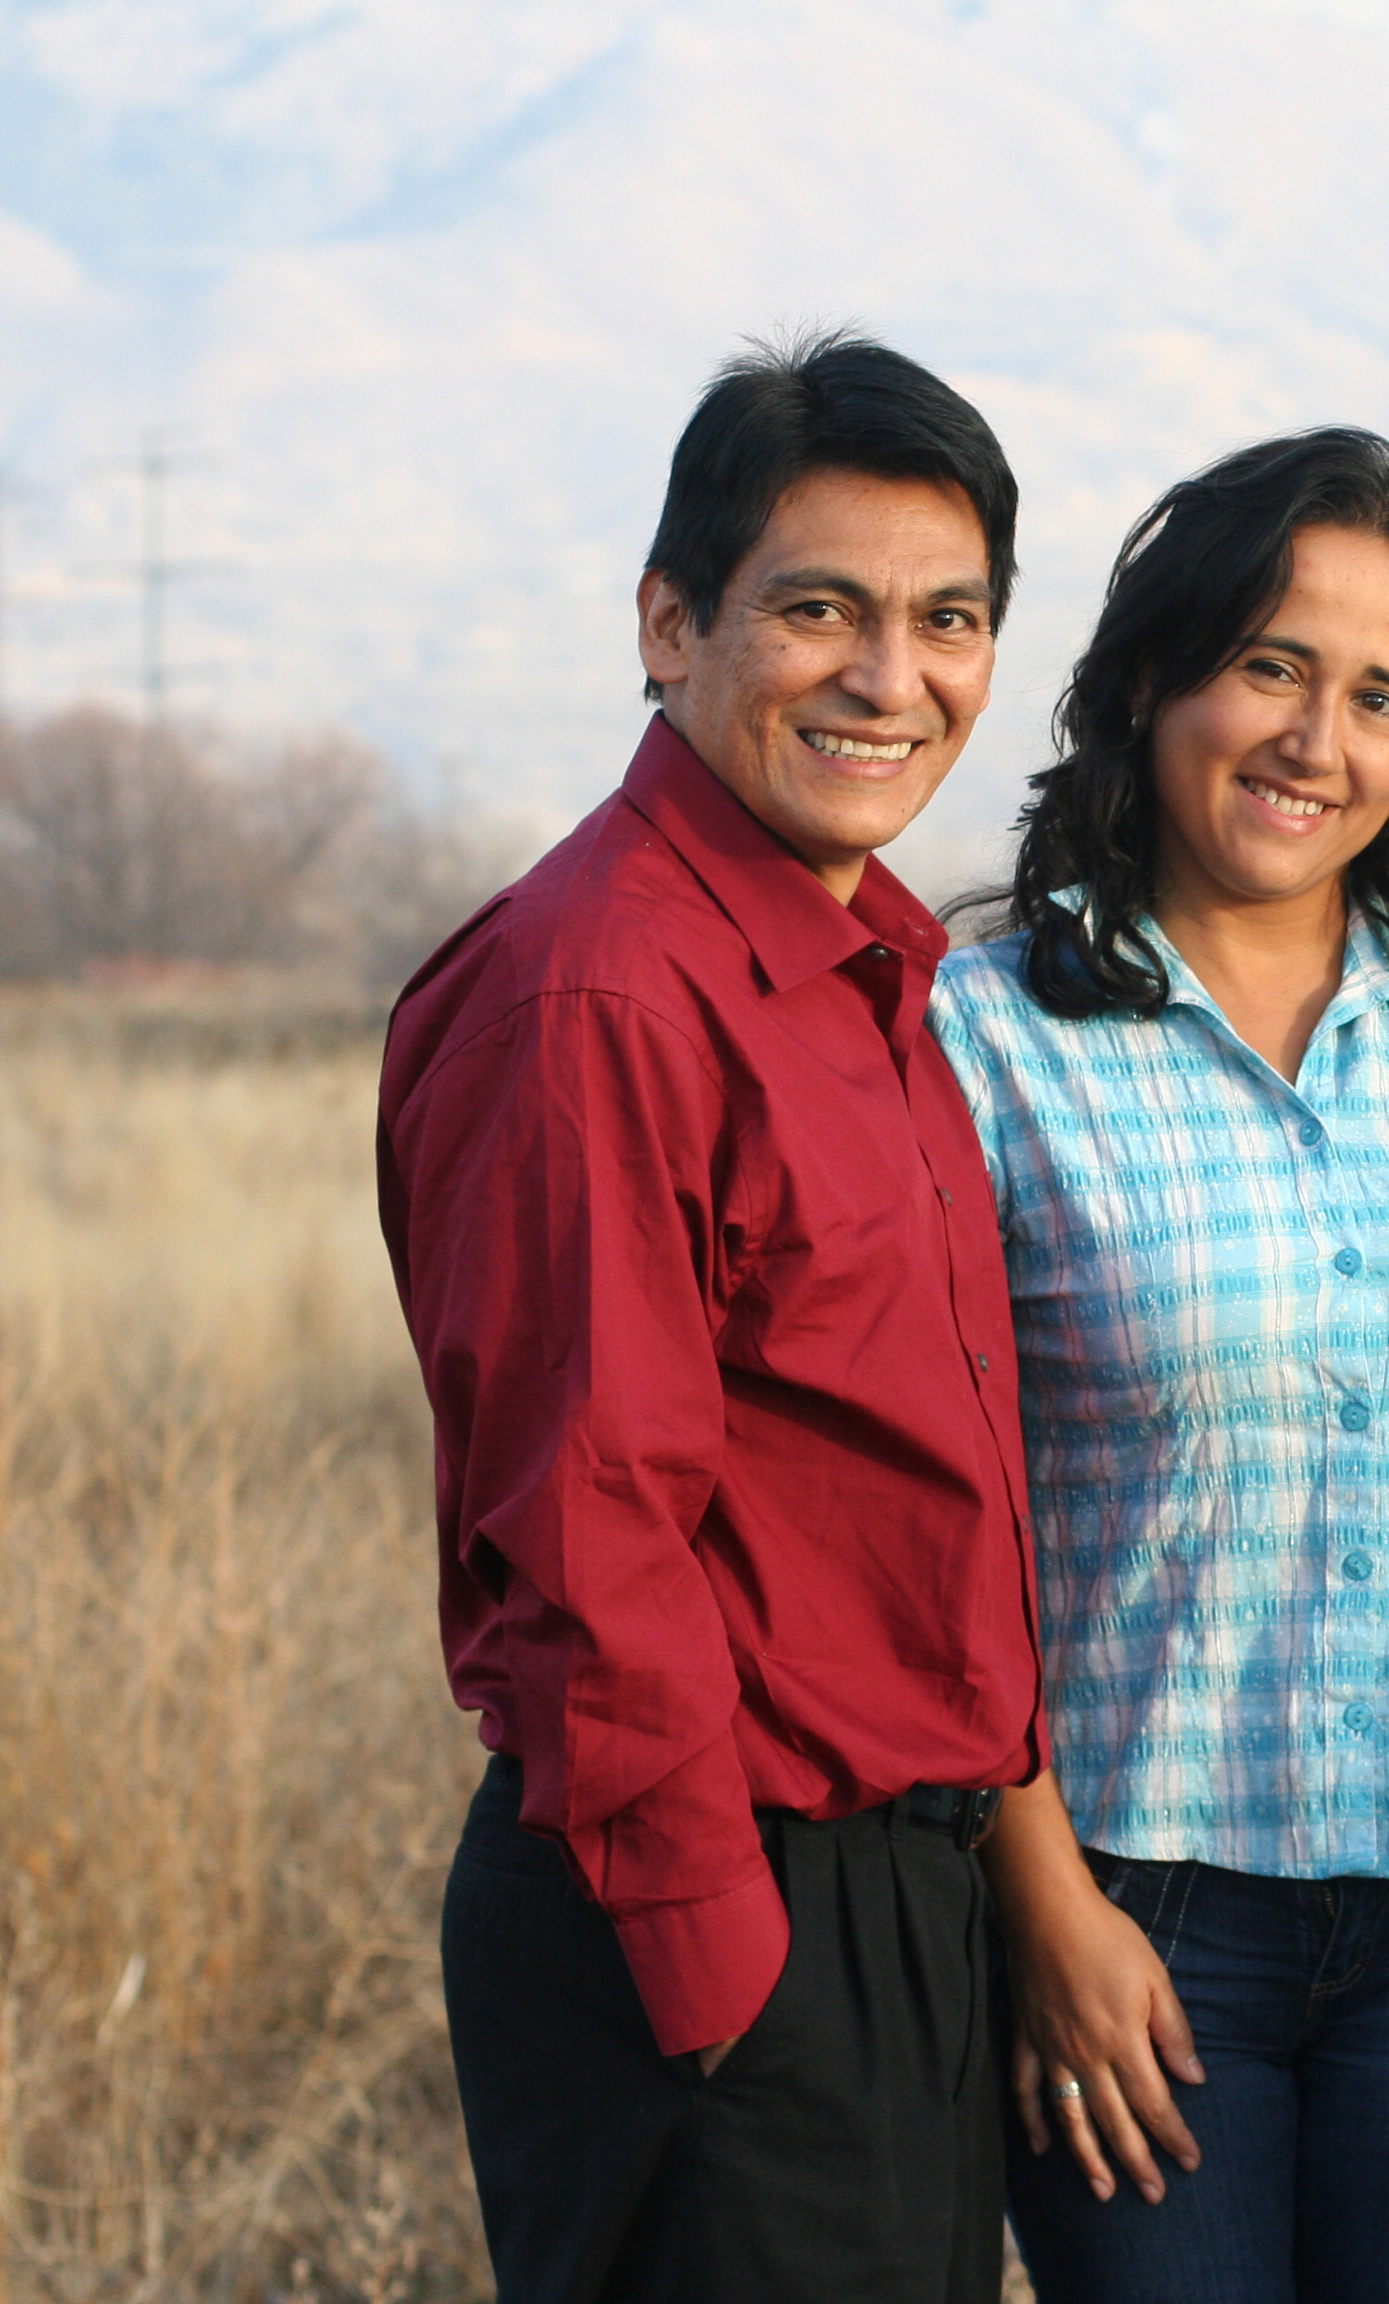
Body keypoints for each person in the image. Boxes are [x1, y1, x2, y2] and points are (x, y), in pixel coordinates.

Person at [378, 330, 1040, 2304]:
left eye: (949, 619)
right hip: (722, 1910)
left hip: (890, 1901)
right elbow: (590, 1525)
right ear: (671, 625)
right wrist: (720, 1974)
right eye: (817, 609)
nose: (890, 678)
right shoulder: (600, 991)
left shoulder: (856, 969)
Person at [925, 427, 1389, 2304]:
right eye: (1272, 666)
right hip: (1138, 1904)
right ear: (1151, 679)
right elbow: (938, 1514)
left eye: (1380, 695)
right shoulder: (980, 1037)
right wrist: (1041, 1898)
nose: (1321, 738)